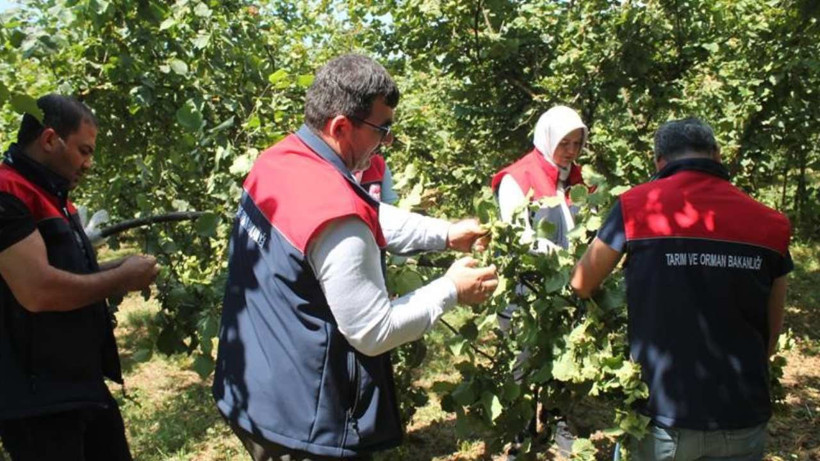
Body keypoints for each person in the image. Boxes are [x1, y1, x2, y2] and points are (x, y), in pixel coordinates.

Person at [212, 54, 497, 460]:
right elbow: (373, 330)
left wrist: (446, 234)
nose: (387, 142)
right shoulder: (334, 211)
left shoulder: (280, 162)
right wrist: (451, 290)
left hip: (252, 388)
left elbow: (367, 212)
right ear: (341, 126)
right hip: (302, 422)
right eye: (382, 129)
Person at [571, 118, 791, 460]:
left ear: (660, 161)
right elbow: (770, 334)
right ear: (717, 156)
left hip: (663, 416)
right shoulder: (772, 225)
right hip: (742, 411)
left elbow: (581, 283)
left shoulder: (636, 207)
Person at [0, 94, 160, 461]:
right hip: (38, 400)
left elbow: (68, 275)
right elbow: (38, 290)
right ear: (50, 139)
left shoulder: (54, 194)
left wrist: (121, 269)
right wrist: (121, 280)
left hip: (78, 384)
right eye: (84, 151)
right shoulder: (8, 193)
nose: (89, 163)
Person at [491, 105, 588, 252]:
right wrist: (561, 257)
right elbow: (519, 237)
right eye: (564, 143)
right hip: (534, 273)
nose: (571, 151)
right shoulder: (517, 179)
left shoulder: (582, 179)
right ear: (549, 139)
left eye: (577, 143)